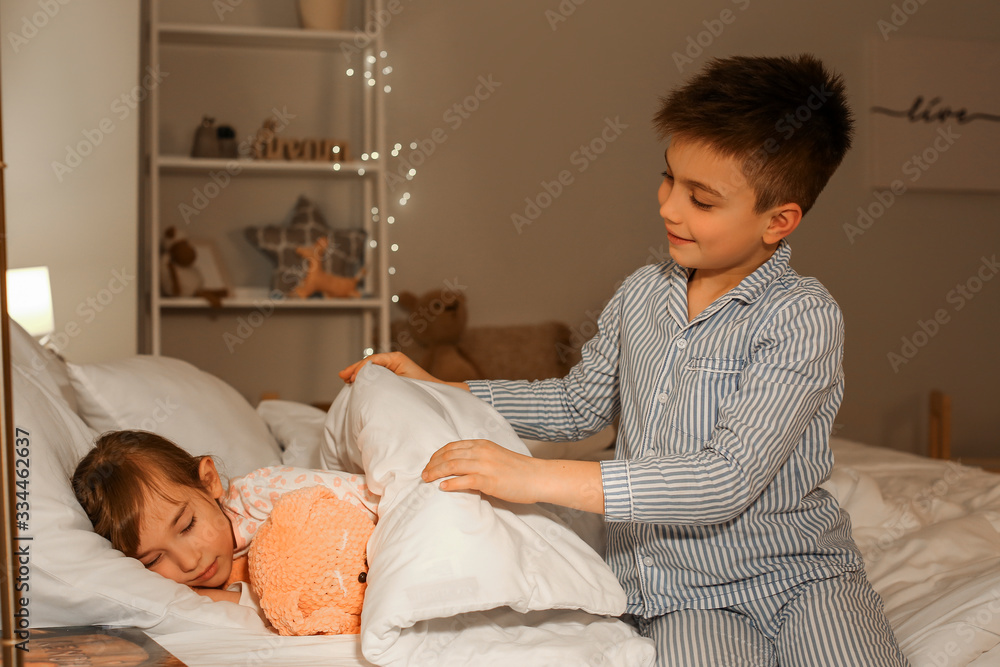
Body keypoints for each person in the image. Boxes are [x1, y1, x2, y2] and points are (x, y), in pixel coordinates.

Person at [340, 55, 909, 665]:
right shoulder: (641, 293)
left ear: (778, 221)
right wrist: (447, 387)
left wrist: (531, 476)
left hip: (802, 573)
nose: (669, 207)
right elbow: (578, 404)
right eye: (669, 179)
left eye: (703, 199)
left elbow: (726, 479)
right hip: (680, 590)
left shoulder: (802, 317)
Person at [71, 430, 377, 609]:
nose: (189, 562)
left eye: (187, 525)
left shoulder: (262, 496)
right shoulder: (186, 594)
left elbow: (372, 499)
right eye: (152, 561)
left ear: (208, 481)